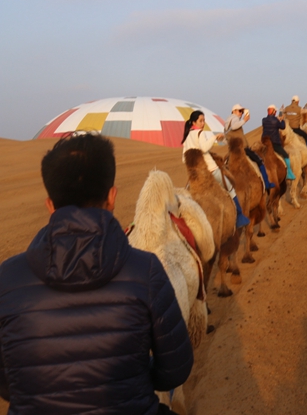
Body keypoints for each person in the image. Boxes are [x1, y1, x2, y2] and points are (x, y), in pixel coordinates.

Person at [0, 133, 193, 414]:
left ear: (50, 205)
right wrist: (130, 378)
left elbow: (7, 380)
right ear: (112, 197)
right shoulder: (147, 271)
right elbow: (176, 369)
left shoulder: (7, 278)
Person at [182, 110, 249, 228]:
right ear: (193, 122)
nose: (203, 123)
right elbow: (204, 148)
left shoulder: (187, 137)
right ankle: (239, 216)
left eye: (203, 121)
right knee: (231, 188)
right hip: (211, 170)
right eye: (200, 121)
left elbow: (184, 158)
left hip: (196, 173)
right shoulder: (199, 133)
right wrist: (214, 137)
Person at [260, 105, 296, 180]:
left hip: (264, 142)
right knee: (285, 155)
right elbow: (282, 126)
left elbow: (271, 121)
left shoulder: (263, 120)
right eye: (275, 111)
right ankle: (289, 172)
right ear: (273, 111)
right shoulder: (276, 121)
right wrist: (281, 119)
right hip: (274, 143)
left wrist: (279, 115)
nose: (275, 112)